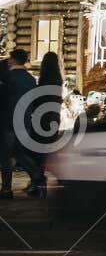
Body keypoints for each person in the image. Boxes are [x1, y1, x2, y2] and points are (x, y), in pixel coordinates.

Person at [0, 49, 45, 198]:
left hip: (8, 121)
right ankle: (36, 174)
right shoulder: (31, 79)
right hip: (25, 121)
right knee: (19, 153)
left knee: (5, 156)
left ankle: (6, 190)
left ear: (12, 60)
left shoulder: (6, 77)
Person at [27, 51, 64, 195]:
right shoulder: (58, 81)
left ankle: (38, 182)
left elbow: (36, 101)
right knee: (43, 151)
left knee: (35, 152)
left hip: (41, 119)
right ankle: (38, 183)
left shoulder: (43, 82)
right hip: (54, 119)